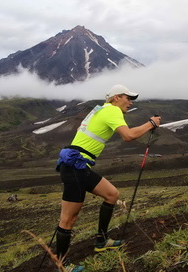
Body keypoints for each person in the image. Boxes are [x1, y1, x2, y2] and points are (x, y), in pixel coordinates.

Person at [55, 84, 161, 272]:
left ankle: (101, 241)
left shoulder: (102, 110)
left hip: (80, 166)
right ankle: (61, 265)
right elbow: (128, 136)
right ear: (115, 98)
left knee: (112, 194)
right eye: (127, 98)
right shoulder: (112, 110)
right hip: (75, 167)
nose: (130, 102)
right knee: (68, 220)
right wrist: (151, 124)